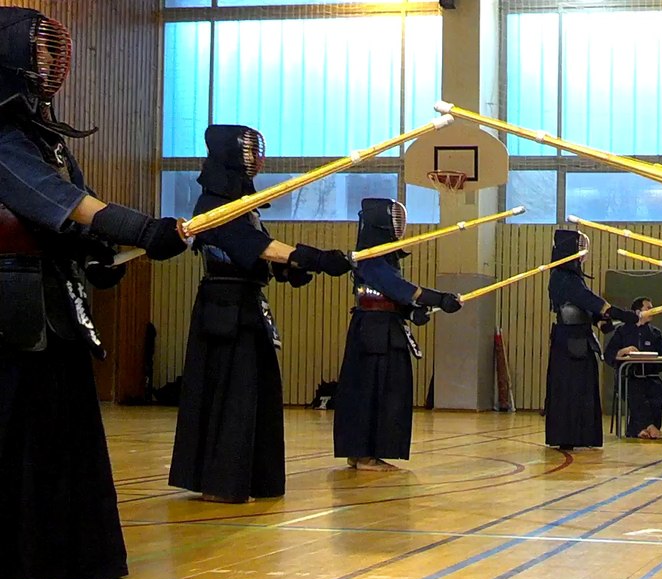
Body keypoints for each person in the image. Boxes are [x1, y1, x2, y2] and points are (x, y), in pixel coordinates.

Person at [0, 7, 189, 579]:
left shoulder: (46, 138)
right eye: (38, 50)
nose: (50, 62)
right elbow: (54, 201)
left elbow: (82, 207)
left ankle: (70, 554)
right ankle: (16, 560)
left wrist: (102, 252)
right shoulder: (2, 137)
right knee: (21, 431)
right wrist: (141, 228)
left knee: (65, 427)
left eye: (52, 51)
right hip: (10, 301)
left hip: (55, 295)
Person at [169, 125, 353, 504]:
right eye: (248, 152)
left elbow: (260, 254)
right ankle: (220, 481)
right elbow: (251, 245)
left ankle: (252, 478)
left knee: (257, 392)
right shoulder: (211, 205)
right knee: (231, 394)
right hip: (222, 310)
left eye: (257, 152)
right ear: (229, 155)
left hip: (247, 304)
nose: (256, 159)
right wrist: (311, 257)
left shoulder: (244, 208)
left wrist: (290, 269)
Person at [333, 198, 462, 470]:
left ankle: (363, 452)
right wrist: (438, 298)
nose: (399, 224)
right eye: (394, 218)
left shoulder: (384, 258)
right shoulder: (369, 257)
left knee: (385, 390)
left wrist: (411, 312)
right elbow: (395, 287)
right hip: (373, 332)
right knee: (370, 391)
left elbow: (391, 296)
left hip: (385, 327)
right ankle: (363, 454)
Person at [545, 229, 640, 450]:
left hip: (580, 337)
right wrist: (628, 315)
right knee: (570, 388)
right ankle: (567, 436)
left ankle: (582, 436)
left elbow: (587, 309)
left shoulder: (574, 278)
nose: (584, 254)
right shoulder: (562, 277)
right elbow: (590, 302)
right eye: (579, 248)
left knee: (583, 388)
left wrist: (602, 322)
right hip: (568, 341)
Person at [603, 296, 662, 439]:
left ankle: (639, 429)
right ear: (638, 312)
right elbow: (609, 354)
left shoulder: (655, 333)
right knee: (635, 392)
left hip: (649, 376)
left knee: (657, 392)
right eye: (649, 308)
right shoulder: (622, 331)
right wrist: (623, 351)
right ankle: (650, 427)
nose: (653, 311)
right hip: (628, 376)